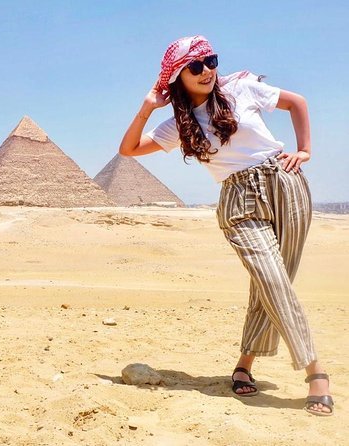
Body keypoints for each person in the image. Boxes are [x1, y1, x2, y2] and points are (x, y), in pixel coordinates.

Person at [119, 35, 333, 416]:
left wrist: (305, 150)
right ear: (178, 77)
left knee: (272, 286)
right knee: (273, 281)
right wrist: (147, 107)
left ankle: (245, 363)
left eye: (211, 61)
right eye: (195, 66)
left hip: (286, 185)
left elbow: (297, 102)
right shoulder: (180, 125)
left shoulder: (240, 89)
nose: (207, 71)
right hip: (238, 201)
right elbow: (129, 149)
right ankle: (315, 371)